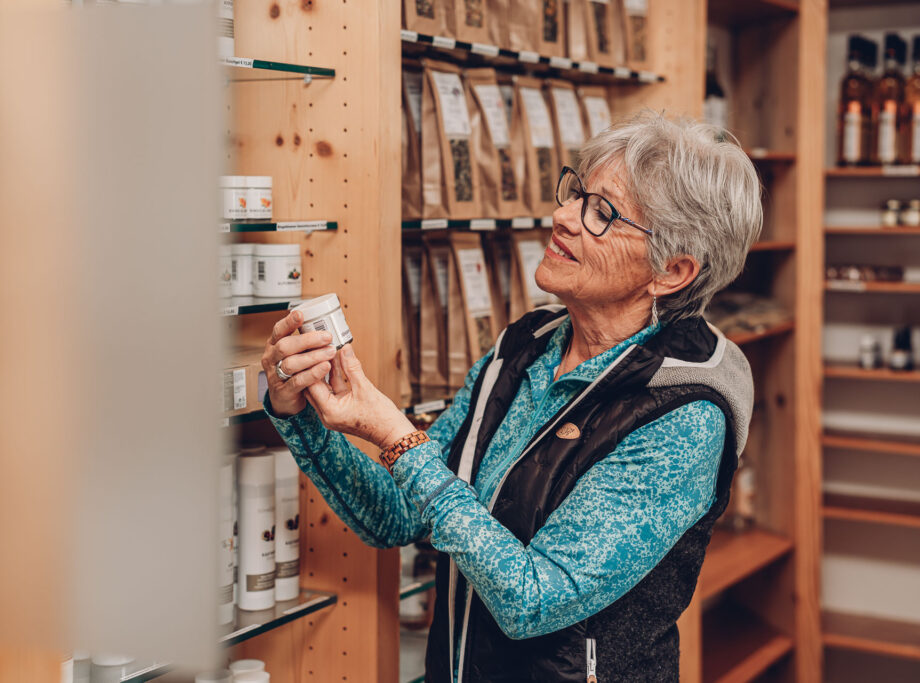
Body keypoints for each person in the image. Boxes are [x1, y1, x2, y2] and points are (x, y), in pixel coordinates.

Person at [260, 111, 762, 682]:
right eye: (578, 194)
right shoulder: (525, 348)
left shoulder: (684, 415)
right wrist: (298, 413)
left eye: (602, 213)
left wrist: (397, 439)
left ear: (671, 272)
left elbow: (536, 599)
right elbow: (401, 515)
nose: (561, 217)